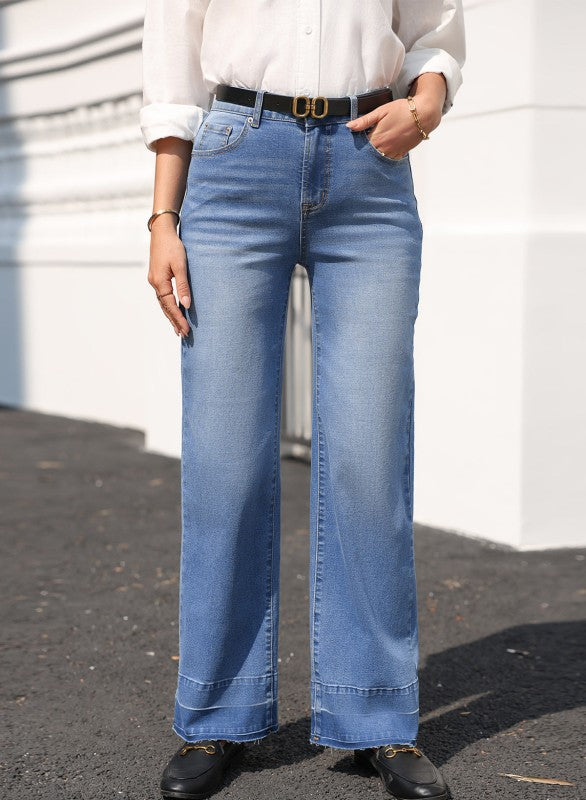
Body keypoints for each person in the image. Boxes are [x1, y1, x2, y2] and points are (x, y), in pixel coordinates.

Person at [140, 2, 466, 798]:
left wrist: (425, 105)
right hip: (235, 160)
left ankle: (375, 716)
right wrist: (162, 218)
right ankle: (218, 713)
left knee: (368, 457)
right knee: (224, 462)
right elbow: (174, 63)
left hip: (369, 165)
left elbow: (434, 31)